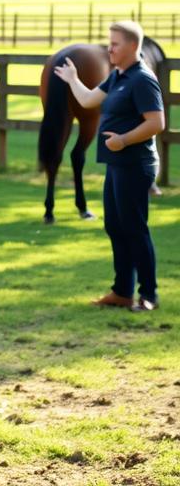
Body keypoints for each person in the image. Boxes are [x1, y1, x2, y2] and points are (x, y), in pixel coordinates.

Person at [54, 20, 165, 312]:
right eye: (109, 42)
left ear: (132, 46)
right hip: (116, 164)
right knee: (115, 226)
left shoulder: (142, 79)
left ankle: (149, 295)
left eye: (115, 43)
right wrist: (73, 79)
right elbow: (90, 99)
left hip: (135, 164)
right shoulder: (118, 76)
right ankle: (122, 291)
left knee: (134, 228)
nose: (109, 48)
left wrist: (124, 140)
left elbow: (157, 123)